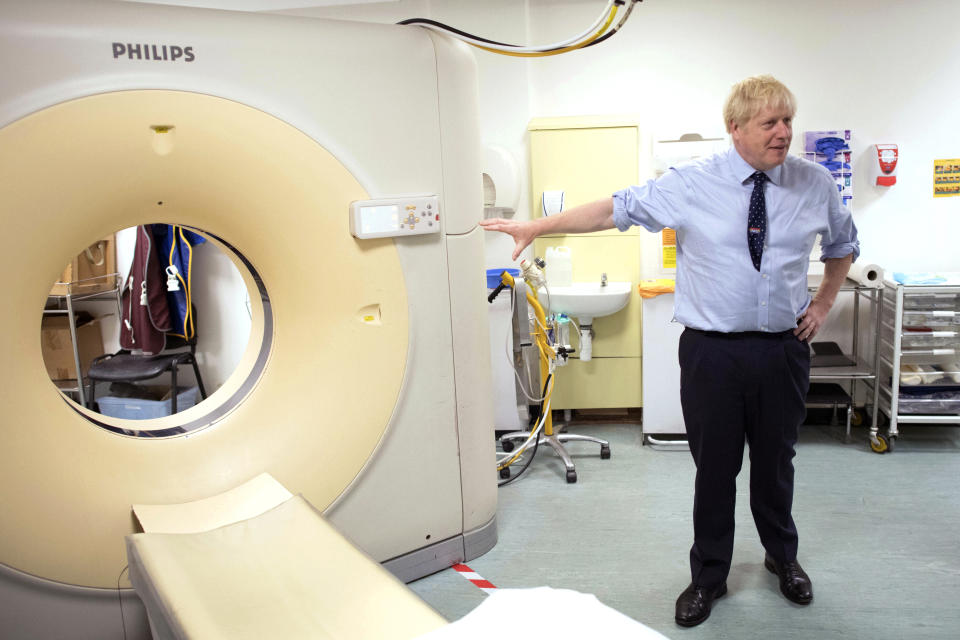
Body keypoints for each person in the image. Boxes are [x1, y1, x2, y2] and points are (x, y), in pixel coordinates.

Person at [480, 75, 859, 627]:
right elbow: (613, 209)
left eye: (787, 122)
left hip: (781, 350)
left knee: (776, 465)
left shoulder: (814, 183)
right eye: (769, 123)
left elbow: (844, 246)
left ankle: (784, 558)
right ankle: (709, 577)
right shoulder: (693, 183)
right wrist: (539, 225)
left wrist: (823, 304)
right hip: (712, 354)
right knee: (715, 469)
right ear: (735, 128)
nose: (783, 133)